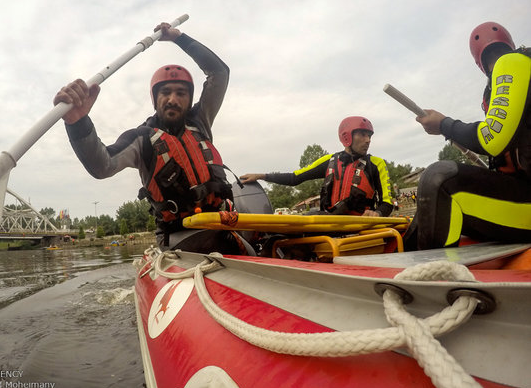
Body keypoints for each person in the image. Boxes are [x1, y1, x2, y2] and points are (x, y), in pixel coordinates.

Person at [54, 22, 245, 253]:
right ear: (155, 99)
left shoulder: (200, 121)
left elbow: (219, 73)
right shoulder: (141, 139)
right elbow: (102, 166)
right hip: (177, 239)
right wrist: (78, 122)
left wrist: (179, 38)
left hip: (221, 225)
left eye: (181, 93)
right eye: (165, 92)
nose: (173, 99)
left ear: (189, 98)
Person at [404, 21, 531, 250]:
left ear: (479, 63)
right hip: (521, 196)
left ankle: (430, 277)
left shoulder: (513, 62)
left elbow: (492, 138)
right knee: (431, 206)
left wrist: (443, 124)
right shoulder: (517, 78)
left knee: (440, 178)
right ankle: (401, 256)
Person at [240, 117, 394, 217]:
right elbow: (295, 177)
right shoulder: (330, 161)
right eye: (362, 135)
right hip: (328, 222)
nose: (368, 140)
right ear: (347, 136)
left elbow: (387, 203)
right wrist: (262, 176)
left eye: (369, 136)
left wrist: (378, 213)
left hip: (359, 225)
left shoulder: (376, 164)